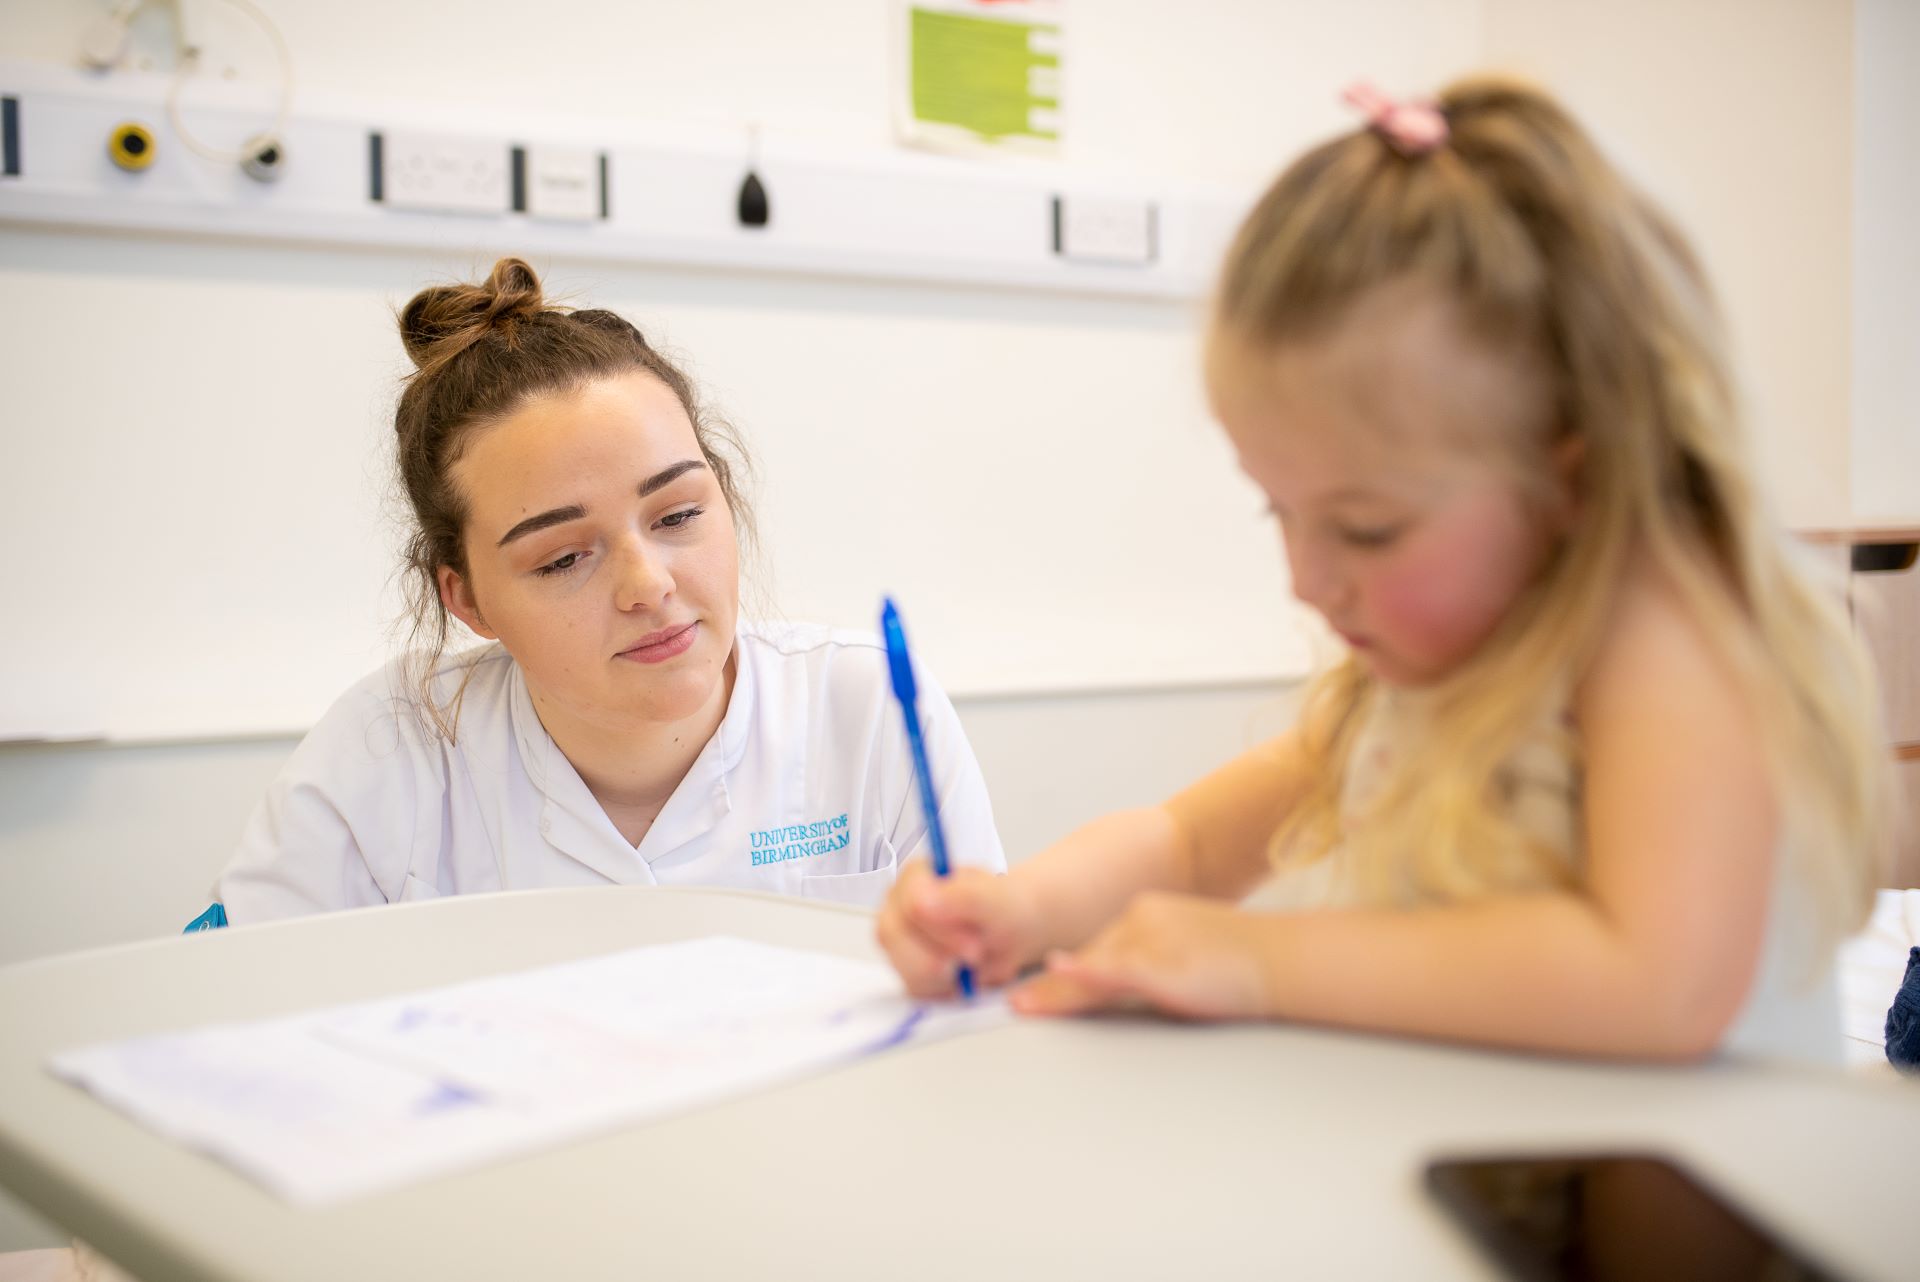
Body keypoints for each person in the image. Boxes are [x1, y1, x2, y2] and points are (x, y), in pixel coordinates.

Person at [877, 78, 1888, 1064]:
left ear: (1572, 478)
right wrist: (1020, 909)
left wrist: (1260, 961)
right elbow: (1188, 843)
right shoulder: (1417, 680)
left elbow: (1661, 984)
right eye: (1279, 510)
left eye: (1365, 530)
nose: (1305, 580)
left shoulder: (1666, 642)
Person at [199, 257, 1002, 924]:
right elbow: (223, 1009)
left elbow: (983, 1006)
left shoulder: (867, 710)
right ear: (468, 600)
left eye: (678, 515)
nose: (648, 584)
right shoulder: (390, 752)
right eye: (562, 560)